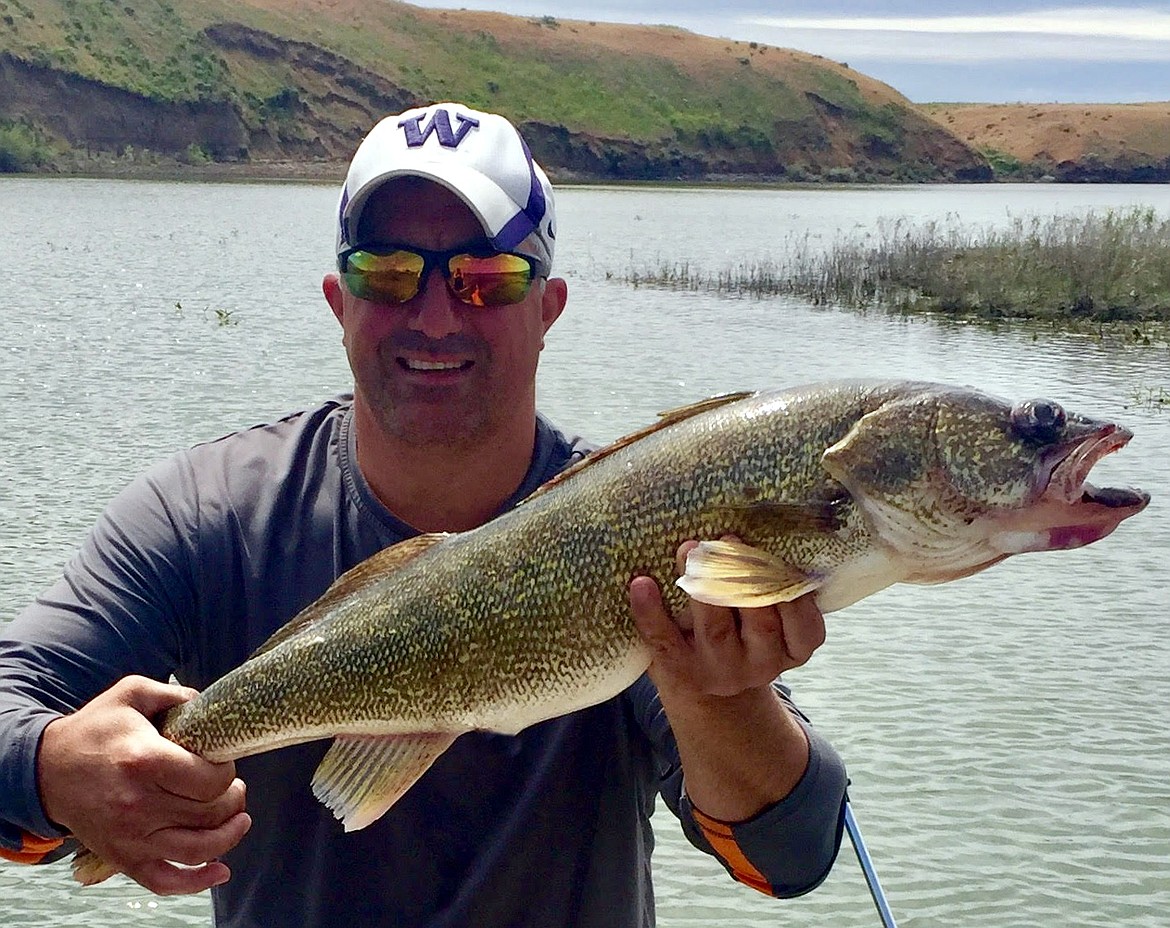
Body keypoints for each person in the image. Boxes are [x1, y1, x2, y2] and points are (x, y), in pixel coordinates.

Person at [0, 102, 847, 926]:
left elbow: (792, 853)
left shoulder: (639, 519)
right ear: (341, 301)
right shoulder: (208, 513)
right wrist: (53, 771)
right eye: (389, 274)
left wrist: (724, 701)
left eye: (486, 279)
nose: (436, 317)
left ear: (547, 310)